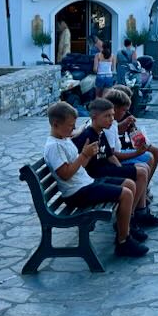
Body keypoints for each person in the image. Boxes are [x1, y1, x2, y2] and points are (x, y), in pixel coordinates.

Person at [43, 101, 147, 257]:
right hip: (76, 193)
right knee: (126, 194)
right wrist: (84, 155)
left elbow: (81, 166)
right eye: (70, 125)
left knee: (130, 184)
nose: (73, 128)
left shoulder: (63, 139)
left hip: (86, 183)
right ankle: (123, 242)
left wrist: (87, 155)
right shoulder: (54, 147)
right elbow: (65, 174)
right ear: (56, 124)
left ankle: (125, 229)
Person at [72, 98, 158, 230]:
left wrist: (123, 170)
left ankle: (137, 213)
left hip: (105, 169)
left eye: (112, 115)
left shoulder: (100, 131)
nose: (111, 119)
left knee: (141, 169)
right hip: (96, 174)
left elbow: (110, 156)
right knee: (141, 171)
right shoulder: (87, 136)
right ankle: (130, 219)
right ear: (94, 117)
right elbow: (83, 166)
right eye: (107, 116)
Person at [105, 88, 158, 192]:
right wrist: (137, 152)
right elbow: (116, 136)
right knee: (150, 157)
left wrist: (141, 142)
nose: (127, 110)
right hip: (123, 147)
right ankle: (142, 192)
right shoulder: (109, 119)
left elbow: (132, 134)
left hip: (126, 144)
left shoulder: (123, 115)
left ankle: (144, 188)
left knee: (156, 151)